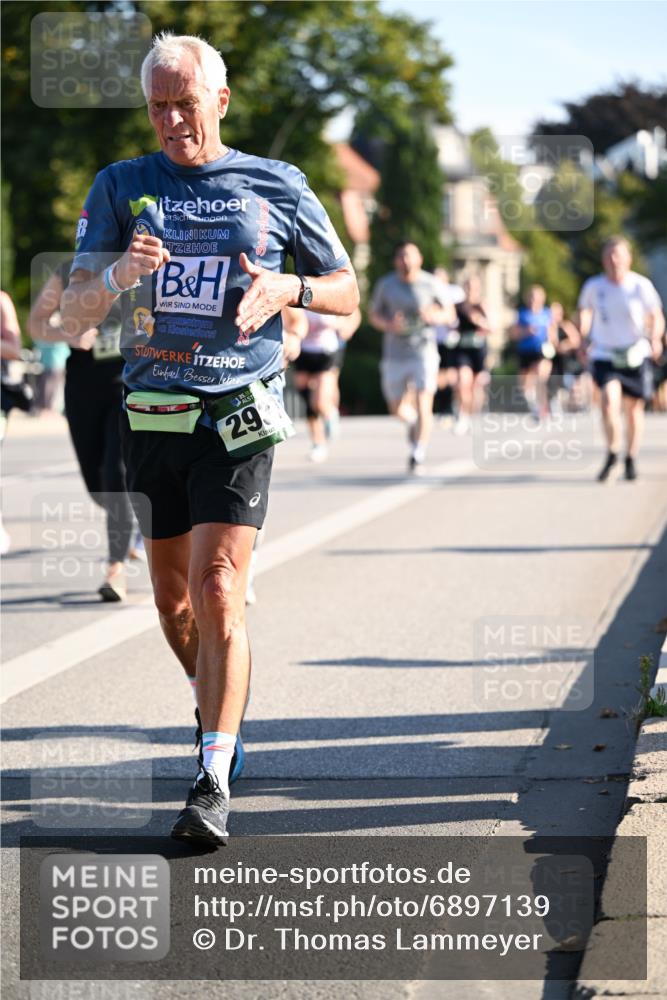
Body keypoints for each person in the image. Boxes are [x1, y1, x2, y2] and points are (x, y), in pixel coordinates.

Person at [60, 32, 359, 846]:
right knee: (172, 598)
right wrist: (119, 275)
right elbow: (74, 315)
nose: (169, 121)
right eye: (156, 107)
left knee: (220, 583)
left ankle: (212, 775)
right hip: (153, 411)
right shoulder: (122, 185)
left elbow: (346, 291)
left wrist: (287, 285)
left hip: (239, 407)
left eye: (183, 104)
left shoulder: (276, 184)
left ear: (219, 101)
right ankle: (218, 696)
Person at [28, 259, 140, 600]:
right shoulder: (69, 272)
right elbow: (36, 324)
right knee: (96, 486)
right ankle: (130, 520)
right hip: (83, 389)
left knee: (113, 474)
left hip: (128, 384)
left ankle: (115, 568)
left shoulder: (142, 267)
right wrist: (67, 335)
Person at [577, 236, 664, 482]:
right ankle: (613, 450)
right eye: (609, 256)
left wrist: (656, 338)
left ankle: (631, 457)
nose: (614, 260)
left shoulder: (640, 285)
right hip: (605, 352)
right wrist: (583, 338)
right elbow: (585, 312)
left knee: (634, 410)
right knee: (607, 403)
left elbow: (656, 316)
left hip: (635, 352)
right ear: (603, 260)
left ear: (628, 258)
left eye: (619, 255)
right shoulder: (595, 286)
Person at [369, 242, 455, 473]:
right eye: (401, 256)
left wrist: (434, 316)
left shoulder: (431, 283)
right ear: (396, 261)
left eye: (409, 256)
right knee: (397, 408)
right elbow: (373, 315)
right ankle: (411, 423)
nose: (405, 261)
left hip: (423, 352)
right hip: (395, 353)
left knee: (423, 403)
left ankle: (418, 453)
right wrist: (388, 323)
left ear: (419, 259)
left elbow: (450, 314)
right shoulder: (386, 285)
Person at [293, 307, 360, 462]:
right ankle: (318, 443)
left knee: (320, 401)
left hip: (327, 351)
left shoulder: (328, 288)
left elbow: (353, 310)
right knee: (307, 398)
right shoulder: (298, 288)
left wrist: (346, 328)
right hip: (304, 351)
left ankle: (330, 414)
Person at [451, 275, 491, 434]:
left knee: (475, 387)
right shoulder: (458, 306)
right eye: (467, 287)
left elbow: (492, 327)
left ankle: (472, 415)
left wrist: (479, 320)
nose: (470, 291)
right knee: (462, 382)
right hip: (462, 349)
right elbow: (451, 324)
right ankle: (462, 416)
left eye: (473, 287)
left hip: (478, 349)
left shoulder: (482, 305)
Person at [510, 285, 557, 421]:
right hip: (525, 351)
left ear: (542, 299)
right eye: (531, 297)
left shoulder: (546, 313)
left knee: (541, 376)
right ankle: (534, 406)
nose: (533, 300)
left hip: (542, 350)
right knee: (525, 385)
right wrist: (526, 331)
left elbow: (552, 331)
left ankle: (544, 407)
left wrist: (552, 341)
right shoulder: (522, 314)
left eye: (536, 297)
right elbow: (513, 334)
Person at [432, 267, 464, 425]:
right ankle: (444, 408)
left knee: (452, 374)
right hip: (434, 340)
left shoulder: (455, 292)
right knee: (439, 376)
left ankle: (453, 406)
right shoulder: (429, 292)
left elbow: (462, 313)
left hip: (452, 339)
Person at [549, 302, 584, 413]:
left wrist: (565, 345)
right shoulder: (549, 326)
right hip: (554, 360)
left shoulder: (566, 325)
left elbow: (576, 340)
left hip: (567, 360)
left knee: (571, 382)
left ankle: (575, 405)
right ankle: (555, 405)